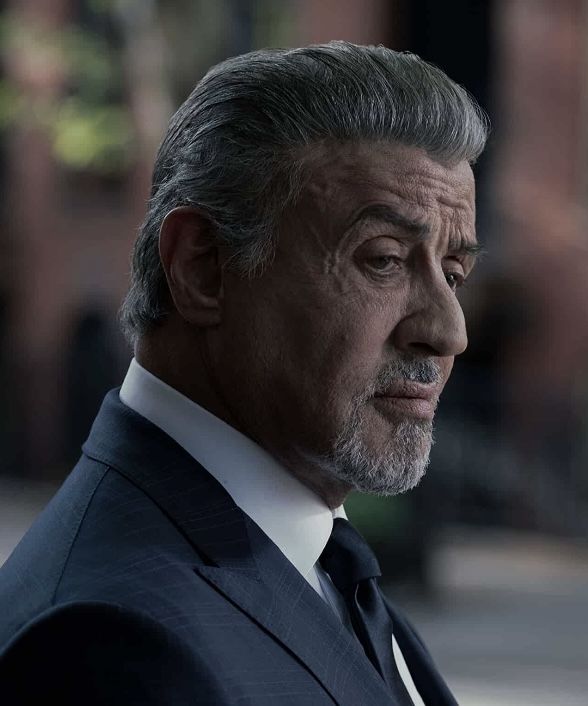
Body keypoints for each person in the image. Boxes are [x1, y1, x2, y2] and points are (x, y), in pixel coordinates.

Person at [0, 41, 486, 705]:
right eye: (384, 260)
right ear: (202, 267)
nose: (447, 330)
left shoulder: (321, 564)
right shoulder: (111, 641)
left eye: (453, 273)